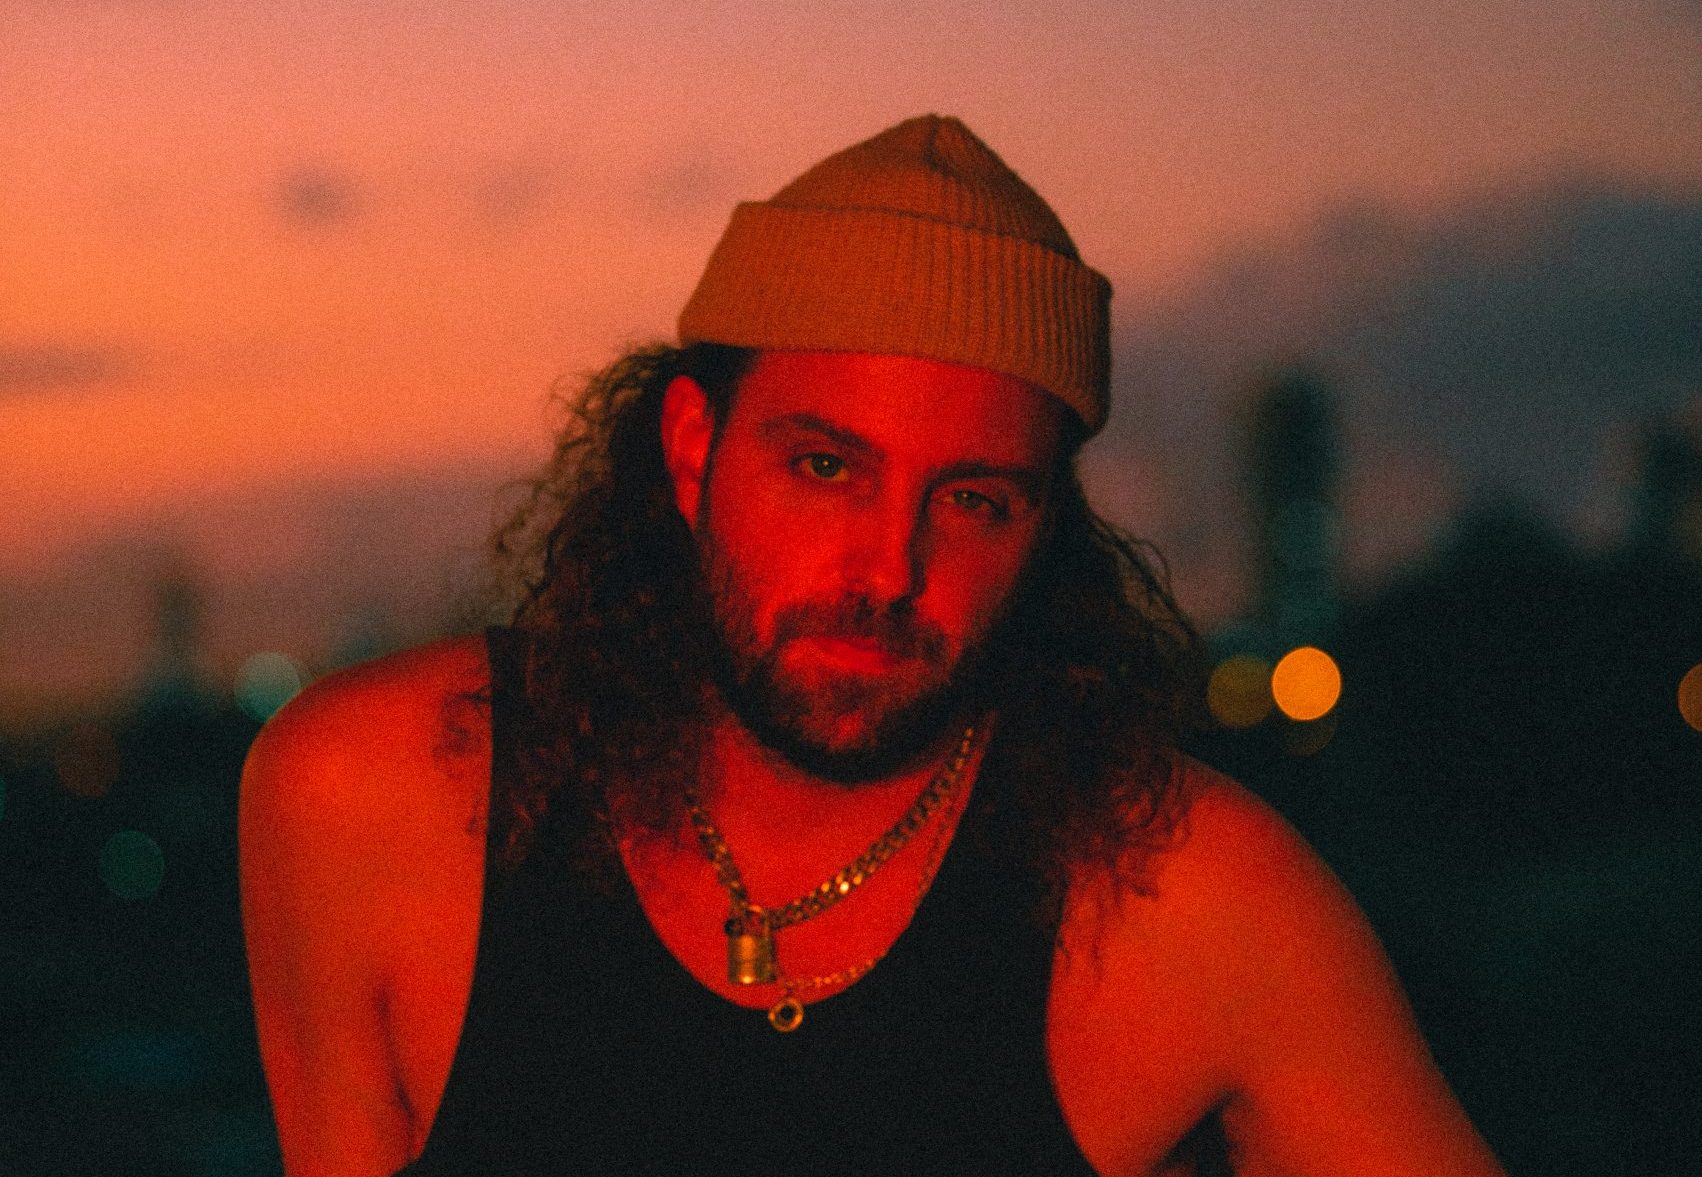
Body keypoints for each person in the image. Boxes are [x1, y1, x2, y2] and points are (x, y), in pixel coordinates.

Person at [239, 115, 1506, 1176]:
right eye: (824, 467)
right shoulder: (374, 795)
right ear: (690, 451)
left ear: (1043, 529)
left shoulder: (1192, 904)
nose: (889, 569)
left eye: (973, 499)